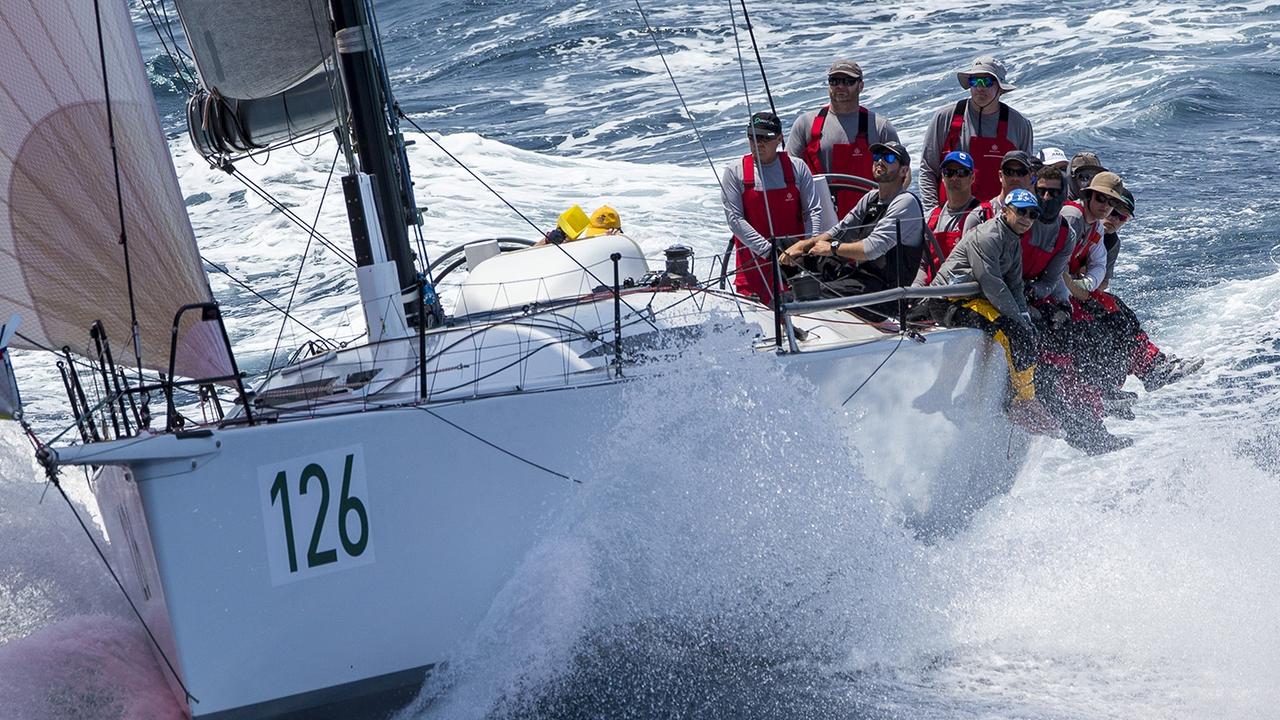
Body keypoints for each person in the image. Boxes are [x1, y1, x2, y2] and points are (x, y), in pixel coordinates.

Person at [924, 188, 1055, 432]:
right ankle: (1020, 402)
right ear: (1005, 211)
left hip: (975, 299)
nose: (1027, 218)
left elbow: (1015, 283)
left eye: (1033, 214)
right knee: (1010, 332)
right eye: (1021, 212)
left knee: (1028, 331)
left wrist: (1024, 316)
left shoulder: (1013, 239)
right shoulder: (988, 236)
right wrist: (1017, 319)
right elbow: (993, 284)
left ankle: (1023, 398)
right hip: (948, 301)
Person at [781, 141, 924, 311]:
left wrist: (833, 248)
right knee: (783, 247)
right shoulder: (871, 197)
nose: (880, 161)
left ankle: (790, 317)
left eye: (889, 157)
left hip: (883, 293)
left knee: (808, 296)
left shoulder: (906, 202)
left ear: (904, 171)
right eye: (877, 156)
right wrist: (804, 246)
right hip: (857, 275)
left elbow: (871, 249)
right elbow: (840, 231)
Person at [721, 111, 823, 305]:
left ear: (779, 139)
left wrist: (808, 247)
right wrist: (770, 252)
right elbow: (735, 221)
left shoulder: (797, 168)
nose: (757, 143)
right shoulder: (735, 172)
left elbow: (813, 211)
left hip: (794, 265)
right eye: (752, 137)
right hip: (753, 271)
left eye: (764, 138)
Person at [920, 56, 1034, 213]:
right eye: (975, 82)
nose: (980, 87)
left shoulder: (1020, 124)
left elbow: (1026, 178)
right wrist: (932, 213)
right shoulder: (945, 118)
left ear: (1000, 88)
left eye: (987, 82)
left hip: (1000, 218)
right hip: (951, 217)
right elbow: (928, 169)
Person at [788, 59, 901, 217]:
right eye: (834, 81)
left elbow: (902, 174)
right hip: (819, 218)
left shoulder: (879, 126)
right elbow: (789, 174)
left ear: (861, 86)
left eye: (848, 81)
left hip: (868, 218)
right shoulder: (805, 124)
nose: (840, 86)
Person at [915, 150, 992, 286]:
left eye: (962, 173)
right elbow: (922, 264)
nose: (954, 178)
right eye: (949, 172)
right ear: (942, 177)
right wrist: (916, 289)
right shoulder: (932, 218)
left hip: (966, 294)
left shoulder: (983, 215)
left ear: (972, 178)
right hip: (932, 294)